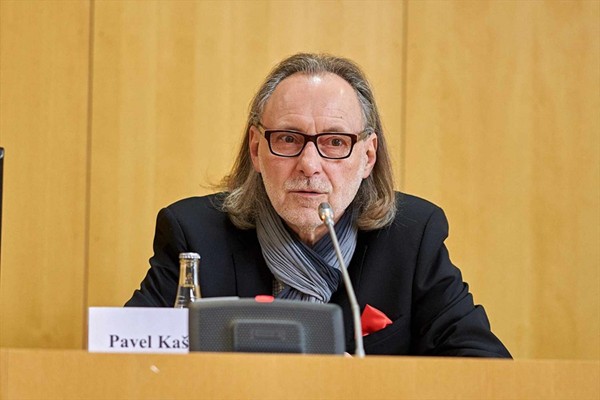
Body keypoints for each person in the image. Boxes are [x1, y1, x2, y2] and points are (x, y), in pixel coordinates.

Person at [126, 53, 511, 357]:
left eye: (335, 142)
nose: (309, 165)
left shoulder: (412, 237)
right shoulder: (194, 234)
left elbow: (483, 368)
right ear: (256, 149)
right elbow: (125, 357)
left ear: (368, 157)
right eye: (288, 139)